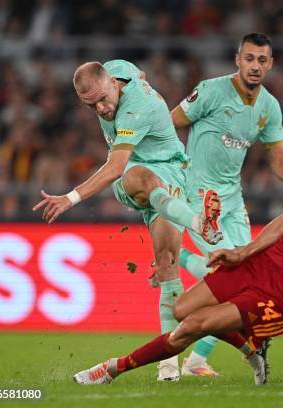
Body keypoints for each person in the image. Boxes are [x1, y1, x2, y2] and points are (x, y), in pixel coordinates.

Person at [72, 111, 283, 385]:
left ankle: (112, 369)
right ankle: (252, 350)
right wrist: (241, 253)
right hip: (260, 262)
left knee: (192, 326)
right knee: (181, 310)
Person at [33, 60, 223, 382]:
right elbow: (138, 74)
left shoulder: (136, 108)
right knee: (141, 176)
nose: (103, 108)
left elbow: (114, 166)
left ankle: (168, 370)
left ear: (113, 85)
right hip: (143, 177)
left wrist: (70, 197)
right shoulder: (117, 70)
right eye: (92, 104)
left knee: (167, 263)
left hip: (172, 172)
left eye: (104, 99)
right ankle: (198, 221)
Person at [169, 32, 283, 376]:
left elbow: (277, 158)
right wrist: (173, 171)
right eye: (249, 59)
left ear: (270, 64)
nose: (255, 66)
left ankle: (197, 360)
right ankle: (177, 258)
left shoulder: (269, 107)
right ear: (238, 60)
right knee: (230, 275)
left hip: (233, 199)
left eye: (262, 60)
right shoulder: (211, 90)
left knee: (248, 276)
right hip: (201, 197)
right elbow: (171, 122)